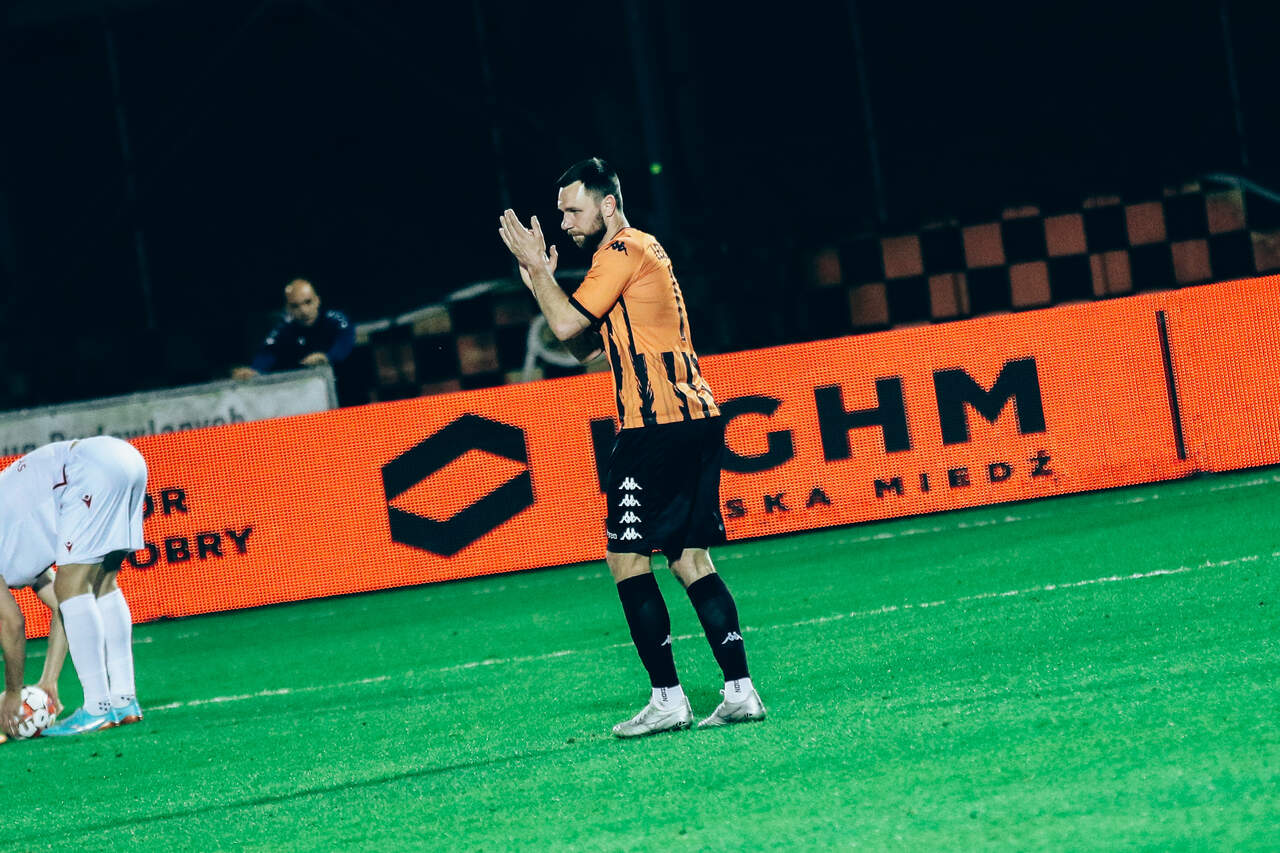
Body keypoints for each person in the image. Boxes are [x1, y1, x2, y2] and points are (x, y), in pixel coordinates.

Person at [498, 157, 766, 737]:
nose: (564, 222)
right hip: (694, 420)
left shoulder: (620, 251)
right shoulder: (640, 252)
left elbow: (565, 327)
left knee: (626, 559)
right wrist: (541, 282)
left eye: (573, 210)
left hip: (655, 427)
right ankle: (740, 692)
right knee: (690, 559)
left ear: (608, 204)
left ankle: (668, 698)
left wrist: (538, 271)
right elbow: (588, 351)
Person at [0, 436, 147, 737]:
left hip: (86, 468)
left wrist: (13, 694)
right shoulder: (12, 546)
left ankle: (97, 709)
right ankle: (124, 700)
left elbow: (12, 623)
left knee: (72, 585)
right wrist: (49, 680)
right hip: (126, 458)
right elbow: (61, 609)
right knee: (102, 584)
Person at [231, 278, 355, 380]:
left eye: (308, 302)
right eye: (295, 306)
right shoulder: (284, 329)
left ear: (317, 300)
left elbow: (345, 339)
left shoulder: (335, 319)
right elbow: (267, 352)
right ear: (288, 308)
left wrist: (328, 357)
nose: (304, 311)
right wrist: (254, 371)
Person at [0, 569, 68, 743]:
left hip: (15, 561)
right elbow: (13, 622)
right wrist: (13, 693)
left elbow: (64, 606)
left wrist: (49, 680)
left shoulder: (31, 559)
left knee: (67, 601)